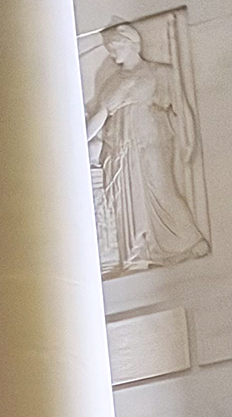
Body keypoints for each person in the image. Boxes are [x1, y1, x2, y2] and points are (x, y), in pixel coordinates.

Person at [86, 21, 208, 273]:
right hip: (121, 146)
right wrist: (79, 142)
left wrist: (189, 139)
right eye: (108, 47)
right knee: (129, 197)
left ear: (130, 44)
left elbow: (181, 108)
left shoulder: (159, 73)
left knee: (161, 189)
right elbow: (101, 114)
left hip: (151, 140)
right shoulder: (111, 82)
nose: (111, 52)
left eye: (114, 46)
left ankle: (189, 241)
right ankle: (138, 250)